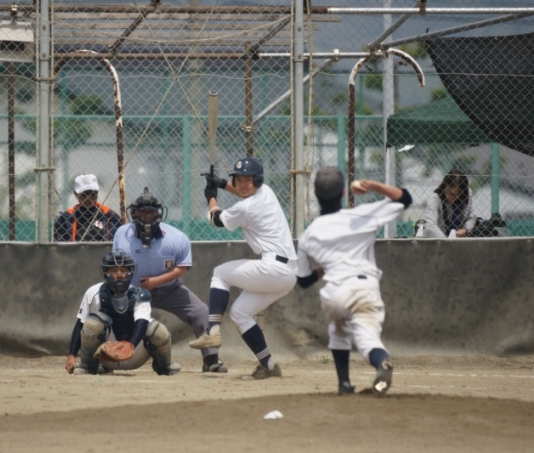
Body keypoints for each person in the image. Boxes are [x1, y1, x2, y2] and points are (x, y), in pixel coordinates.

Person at [295, 167, 413, 396]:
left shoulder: (308, 235)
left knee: (337, 330)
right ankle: (381, 363)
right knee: (367, 339)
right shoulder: (362, 216)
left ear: (316, 194)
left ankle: (344, 385)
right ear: (342, 192)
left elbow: (304, 281)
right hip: (362, 289)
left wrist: (325, 268)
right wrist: (374, 185)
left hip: (333, 293)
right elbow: (404, 198)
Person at [189, 157, 297, 380]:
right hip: (288, 272)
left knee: (220, 273)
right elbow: (243, 193)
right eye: (238, 179)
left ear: (258, 179)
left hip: (273, 267)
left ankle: (213, 331)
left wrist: (211, 197)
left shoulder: (246, 208)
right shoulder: (266, 192)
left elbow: (216, 220)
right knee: (240, 313)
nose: (243, 184)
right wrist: (221, 184)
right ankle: (269, 365)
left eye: (248, 179)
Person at [113, 188, 228, 373]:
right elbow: (116, 264)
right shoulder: (122, 234)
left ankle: (211, 359)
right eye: (142, 212)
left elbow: (182, 267)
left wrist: (156, 281)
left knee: (201, 312)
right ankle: (106, 359)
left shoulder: (176, 237)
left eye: (151, 212)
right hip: (133, 290)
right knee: (110, 312)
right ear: (133, 213)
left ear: (159, 213)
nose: (146, 216)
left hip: (169, 289)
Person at [65, 251, 181, 376]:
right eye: (114, 270)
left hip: (134, 354)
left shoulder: (139, 294)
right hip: (106, 355)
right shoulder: (93, 292)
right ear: (105, 272)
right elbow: (80, 323)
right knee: (93, 322)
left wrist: (128, 346)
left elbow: (142, 322)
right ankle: (89, 367)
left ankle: (164, 366)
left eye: (124, 270)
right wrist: (71, 355)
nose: (119, 274)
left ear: (130, 272)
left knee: (157, 329)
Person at [54, 174, 123, 242]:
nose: (89, 198)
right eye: (84, 194)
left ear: (97, 192)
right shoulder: (66, 218)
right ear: (76, 194)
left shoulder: (110, 216)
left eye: (93, 193)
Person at [424, 169, 475, 238]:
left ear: (462, 193)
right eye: (448, 192)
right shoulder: (435, 198)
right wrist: (446, 241)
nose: (450, 197)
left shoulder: (467, 195)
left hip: (458, 239)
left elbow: (471, 218)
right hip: (438, 239)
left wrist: (465, 229)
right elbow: (430, 225)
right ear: (444, 187)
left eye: (455, 194)